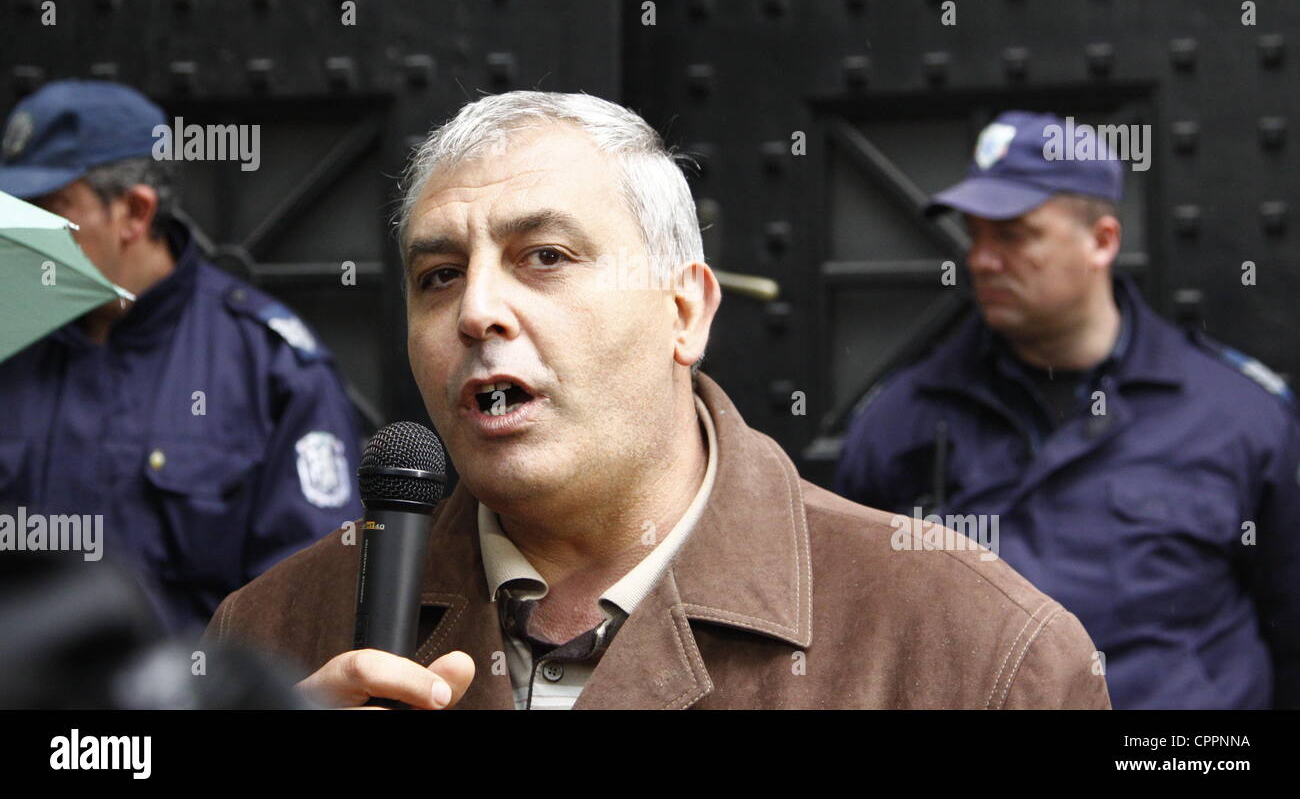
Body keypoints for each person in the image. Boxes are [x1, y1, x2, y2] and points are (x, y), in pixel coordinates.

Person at [202, 92, 1109, 709]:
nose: (476, 310)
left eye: (544, 257)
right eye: (439, 275)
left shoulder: (973, 653)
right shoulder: (274, 634)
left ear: (684, 310)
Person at [834, 110, 1300, 710]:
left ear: (1102, 241)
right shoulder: (904, 419)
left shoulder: (1237, 415)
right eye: (975, 234)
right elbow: (855, 638)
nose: (981, 259)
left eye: (1014, 234)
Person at [0, 80, 363, 635]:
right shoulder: (12, 345)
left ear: (135, 213)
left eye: (47, 210)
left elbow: (312, 602)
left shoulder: (267, 365)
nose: (19, 232)